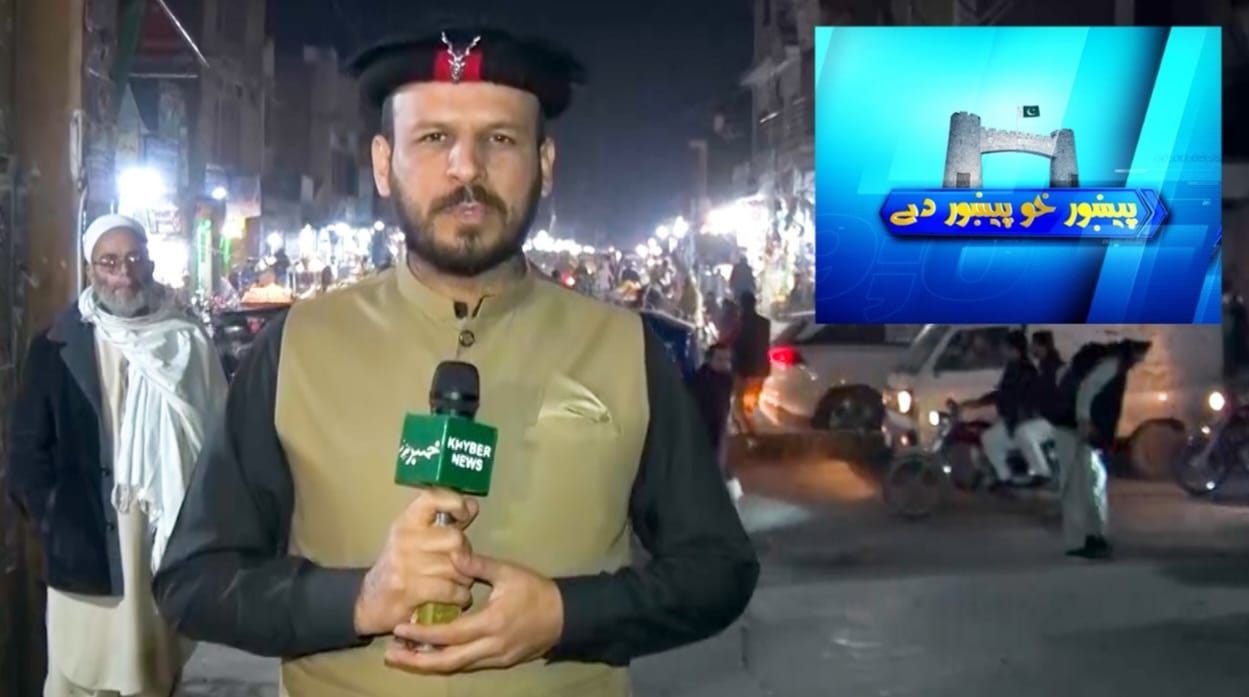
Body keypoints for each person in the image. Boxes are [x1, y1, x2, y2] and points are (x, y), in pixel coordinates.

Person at [152, 26, 758, 697]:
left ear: (544, 162)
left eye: (499, 139)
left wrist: (566, 615)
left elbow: (719, 569)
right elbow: (193, 579)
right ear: (383, 162)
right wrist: (357, 600)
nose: (466, 169)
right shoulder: (294, 346)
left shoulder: (624, 350)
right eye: (434, 137)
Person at [7, 214, 227, 697]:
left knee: (150, 674)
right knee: (75, 675)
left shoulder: (185, 342)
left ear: (150, 263)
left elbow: (218, 441)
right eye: (109, 262)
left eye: (134, 259)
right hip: (84, 550)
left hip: (158, 544)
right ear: (90, 270)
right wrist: (56, 521)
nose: (124, 273)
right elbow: (26, 458)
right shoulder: (55, 347)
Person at [1050, 339, 1151, 560]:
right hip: (1078, 431)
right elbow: (1088, 389)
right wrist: (1084, 420)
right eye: (1142, 353)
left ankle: (1085, 539)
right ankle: (1089, 539)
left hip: (1072, 429)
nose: (1142, 359)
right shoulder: (1111, 366)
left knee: (1081, 485)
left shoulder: (1103, 362)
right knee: (1085, 485)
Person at [961, 330, 1052, 485]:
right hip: (1013, 420)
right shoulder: (1012, 369)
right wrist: (977, 403)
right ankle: (1005, 477)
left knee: (1024, 434)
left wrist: (1013, 417)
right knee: (989, 438)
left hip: (1029, 420)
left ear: (1014, 350)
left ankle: (1042, 473)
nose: (1002, 351)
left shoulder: (1026, 370)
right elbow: (1001, 393)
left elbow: (1021, 398)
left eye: (1005, 348)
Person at [687, 344, 740, 503]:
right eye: (720, 359)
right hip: (705, 431)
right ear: (709, 359)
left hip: (718, 429)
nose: (724, 363)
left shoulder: (726, 378)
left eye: (727, 359)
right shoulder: (699, 381)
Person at [730, 291, 771, 436]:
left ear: (742, 305)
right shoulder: (765, 323)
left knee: (738, 406)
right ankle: (750, 432)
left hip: (743, 371)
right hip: (760, 371)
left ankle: (749, 434)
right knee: (750, 405)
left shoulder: (738, 323)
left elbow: (736, 346)